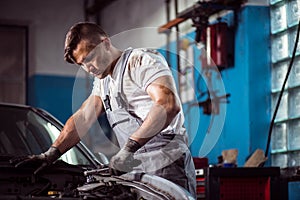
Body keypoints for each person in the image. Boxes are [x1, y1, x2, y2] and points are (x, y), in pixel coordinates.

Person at [15, 22, 196, 197]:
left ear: (106, 43)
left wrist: (128, 149)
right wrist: (51, 154)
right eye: (82, 64)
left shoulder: (141, 60)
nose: (88, 68)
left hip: (165, 161)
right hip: (135, 164)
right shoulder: (103, 81)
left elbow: (167, 104)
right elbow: (84, 117)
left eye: (89, 59)